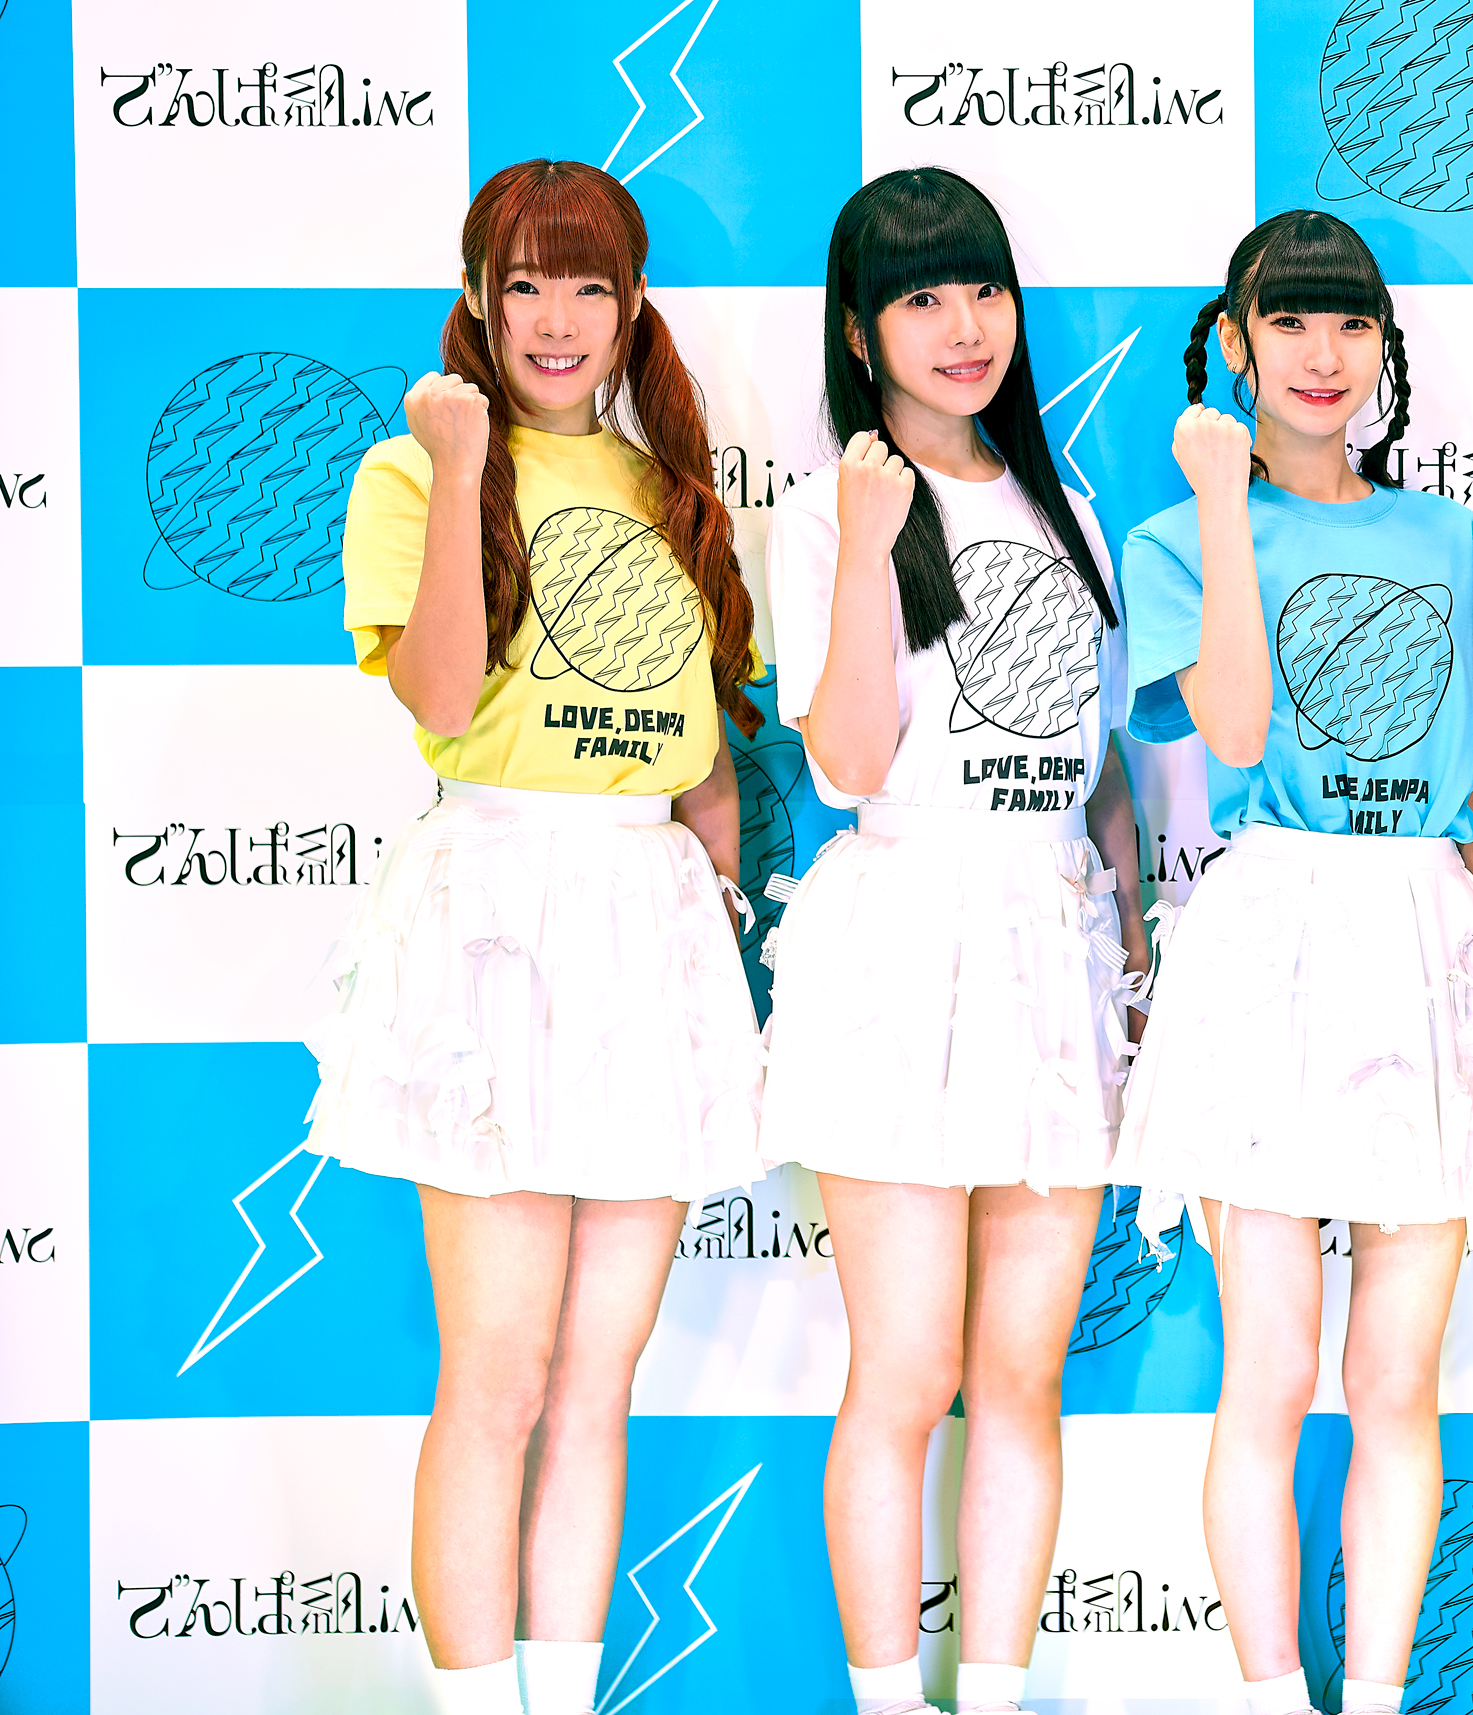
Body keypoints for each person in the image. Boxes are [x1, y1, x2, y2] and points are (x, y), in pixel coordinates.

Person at [306, 158, 766, 1715]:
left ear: (632, 307)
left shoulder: (671, 491)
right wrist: (456, 466)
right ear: (478, 301)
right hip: (499, 910)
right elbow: (440, 699)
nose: (556, 319)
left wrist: (720, 937)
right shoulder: (416, 468)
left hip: (652, 918)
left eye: (588, 287)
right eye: (524, 286)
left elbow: (707, 764)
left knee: (596, 1379)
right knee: (496, 1374)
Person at [1108, 210, 1473, 1715]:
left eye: (1349, 321)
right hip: (1274, 937)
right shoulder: (1180, 535)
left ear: (1382, 347)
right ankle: (1264, 1696)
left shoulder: (1452, 540)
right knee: (1270, 1374)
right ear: (1236, 341)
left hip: (1424, 936)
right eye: (1287, 321)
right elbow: (1232, 730)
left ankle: (1371, 1696)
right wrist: (1223, 500)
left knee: (1395, 1384)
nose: (1321, 353)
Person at [758, 169, 1148, 1715]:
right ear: (860, 333)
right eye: (920, 297)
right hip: (902, 949)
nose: (963, 323)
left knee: (1020, 1378)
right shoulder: (826, 515)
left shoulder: (1069, 511)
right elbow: (848, 763)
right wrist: (868, 542)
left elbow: (1099, 773)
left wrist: (1132, 965)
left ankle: (991, 1693)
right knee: (909, 1370)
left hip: (1052, 951)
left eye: (981, 287)